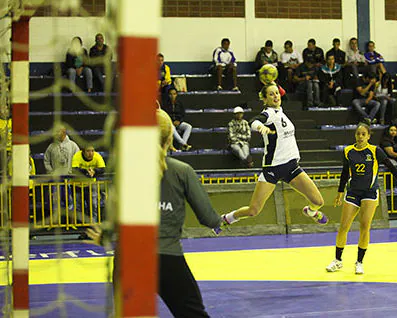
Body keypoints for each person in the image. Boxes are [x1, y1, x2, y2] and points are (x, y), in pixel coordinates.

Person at [87, 109, 222, 317]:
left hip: (128, 260)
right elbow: (209, 218)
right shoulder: (182, 171)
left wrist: (104, 236)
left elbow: (114, 216)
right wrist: (225, 219)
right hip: (166, 258)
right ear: (170, 138)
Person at [216, 83, 328, 232]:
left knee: (318, 201)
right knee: (253, 211)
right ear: (264, 98)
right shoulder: (268, 113)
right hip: (273, 169)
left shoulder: (281, 112)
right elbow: (254, 121)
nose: (275, 96)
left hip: (292, 167)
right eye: (271, 94)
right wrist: (259, 127)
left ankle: (311, 211)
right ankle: (226, 218)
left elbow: (282, 91)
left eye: (276, 93)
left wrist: (274, 83)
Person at [326, 123, 397, 274]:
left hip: (369, 193)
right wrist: (340, 192)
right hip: (353, 192)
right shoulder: (348, 151)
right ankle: (338, 260)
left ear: (368, 136)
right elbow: (345, 172)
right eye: (358, 134)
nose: (360, 137)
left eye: (363, 134)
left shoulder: (374, 151)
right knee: (343, 227)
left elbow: (391, 167)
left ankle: (359, 262)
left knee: (364, 227)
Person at [71, 144, 106, 222]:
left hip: (91, 185)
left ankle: (93, 223)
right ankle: (79, 223)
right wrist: (86, 172)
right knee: (78, 206)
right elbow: (74, 169)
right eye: (88, 151)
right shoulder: (77, 156)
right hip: (77, 185)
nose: (91, 153)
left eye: (92, 151)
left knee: (93, 205)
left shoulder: (97, 156)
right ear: (83, 152)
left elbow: (103, 168)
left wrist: (95, 171)